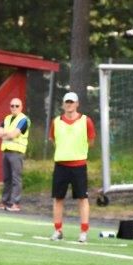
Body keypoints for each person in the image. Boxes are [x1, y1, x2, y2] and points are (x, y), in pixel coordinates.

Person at [49, 91, 94, 243]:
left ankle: (83, 232)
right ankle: (58, 230)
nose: (69, 104)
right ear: (63, 104)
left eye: (71, 102)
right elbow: (52, 139)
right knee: (58, 198)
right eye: (66, 102)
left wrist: (78, 151)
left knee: (82, 198)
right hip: (61, 165)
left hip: (79, 165)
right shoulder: (56, 121)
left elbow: (91, 140)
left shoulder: (85, 121)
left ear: (77, 104)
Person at [0, 98, 30, 212]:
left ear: (21, 107)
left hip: (17, 152)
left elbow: (14, 134)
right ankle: (5, 201)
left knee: (16, 179)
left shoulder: (24, 119)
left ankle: (15, 203)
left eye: (17, 106)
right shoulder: (7, 118)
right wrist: (7, 134)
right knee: (6, 178)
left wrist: (4, 134)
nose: (14, 108)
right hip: (6, 151)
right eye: (12, 106)